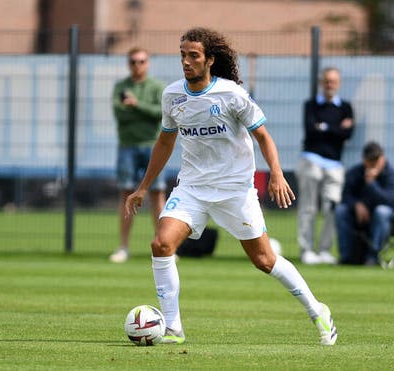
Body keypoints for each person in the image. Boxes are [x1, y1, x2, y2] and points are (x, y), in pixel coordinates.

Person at [125, 27, 337, 346]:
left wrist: (277, 174)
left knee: (264, 260)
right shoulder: (172, 96)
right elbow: (165, 142)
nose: (186, 61)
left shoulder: (231, 94)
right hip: (192, 189)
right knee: (161, 244)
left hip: (235, 190)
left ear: (209, 60)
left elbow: (263, 136)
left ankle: (318, 310)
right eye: (182, 55)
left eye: (193, 55)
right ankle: (172, 327)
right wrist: (143, 187)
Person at [109, 47, 166, 263]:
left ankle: (163, 243)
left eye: (141, 61)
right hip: (127, 146)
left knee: (157, 194)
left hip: (153, 146)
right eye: (133, 61)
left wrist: (135, 105)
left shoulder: (157, 87)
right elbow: (119, 113)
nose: (137, 65)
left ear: (148, 63)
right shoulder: (121, 87)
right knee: (126, 194)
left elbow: (159, 114)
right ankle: (123, 246)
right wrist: (141, 111)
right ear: (128, 63)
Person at [295, 67, 355, 265]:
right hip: (311, 160)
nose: (330, 85)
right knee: (308, 207)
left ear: (338, 84)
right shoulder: (311, 105)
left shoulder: (345, 107)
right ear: (322, 82)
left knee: (332, 207)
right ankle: (306, 250)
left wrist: (325, 128)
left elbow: (348, 135)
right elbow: (311, 131)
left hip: (334, 164)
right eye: (327, 81)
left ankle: (324, 250)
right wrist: (336, 129)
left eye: (333, 81)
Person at [335, 141, 394, 265]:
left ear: (383, 158)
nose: (373, 164)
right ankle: (346, 257)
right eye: (370, 160)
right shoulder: (355, 172)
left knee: (382, 211)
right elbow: (346, 195)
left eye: (376, 160)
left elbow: (391, 200)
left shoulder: (391, 175)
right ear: (363, 160)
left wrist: (371, 184)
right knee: (341, 210)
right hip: (358, 215)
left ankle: (372, 257)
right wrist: (356, 204)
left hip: (383, 217)